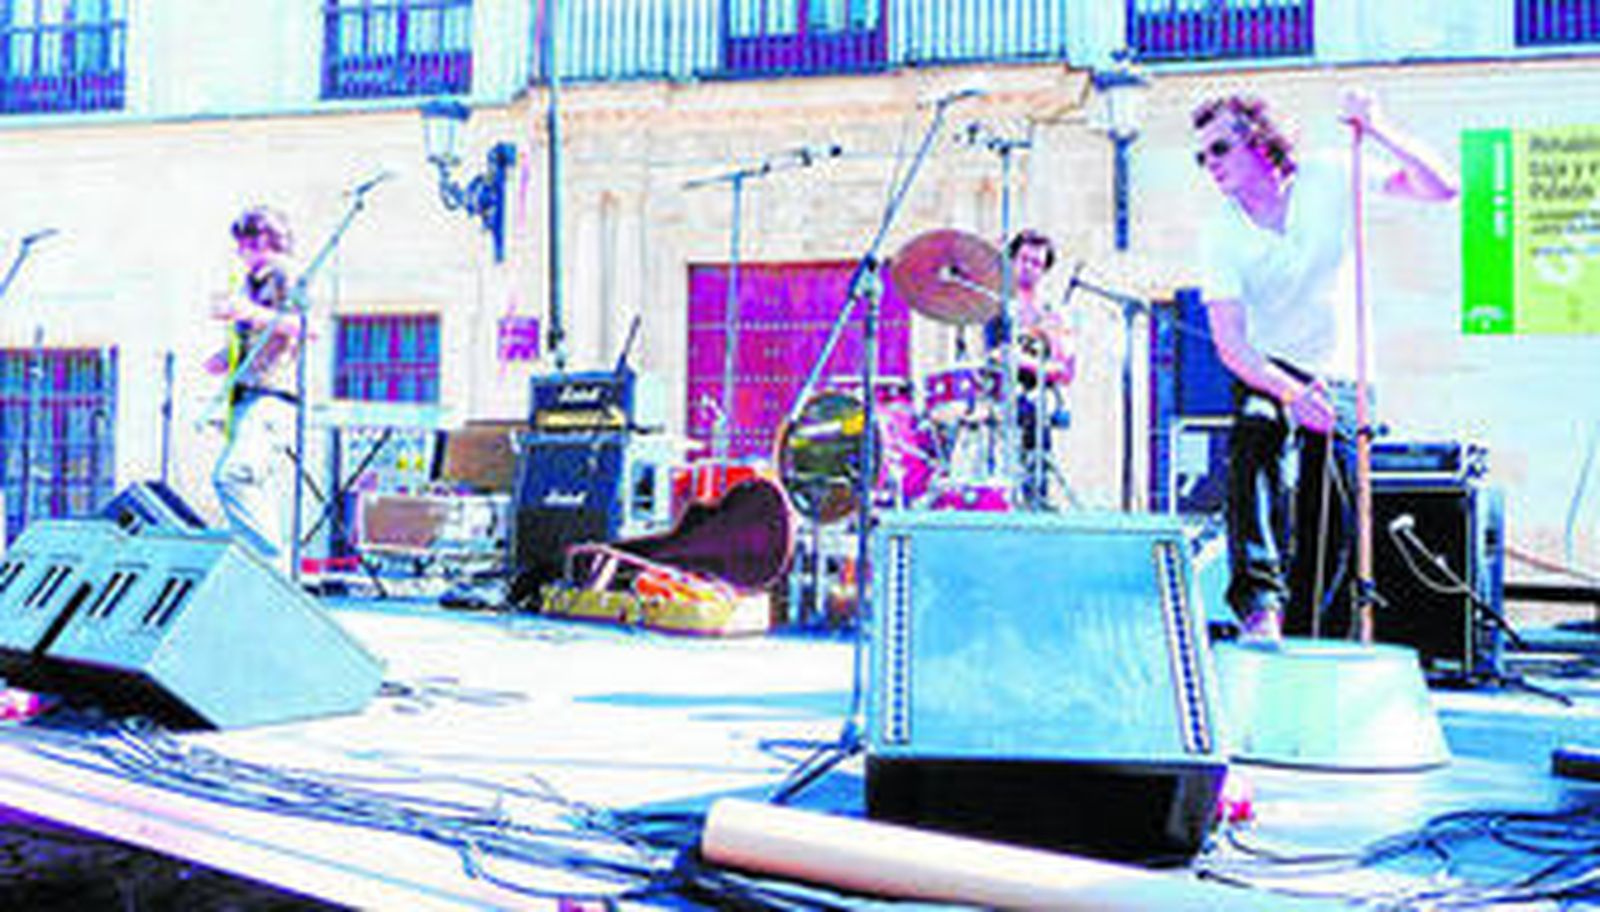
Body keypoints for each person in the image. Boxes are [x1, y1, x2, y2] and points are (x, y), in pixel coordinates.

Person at [1193, 90, 1456, 643]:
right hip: (1269, 364)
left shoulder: (1330, 176)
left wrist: (1379, 129)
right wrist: (1290, 393)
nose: (1210, 165)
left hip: (1342, 365)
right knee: (1257, 433)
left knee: (1331, 505)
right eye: (1203, 157)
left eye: (1219, 149)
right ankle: (1259, 602)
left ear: (1258, 141)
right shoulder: (1220, 231)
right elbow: (1231, 345)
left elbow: (1442, 188)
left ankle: (1313, 629)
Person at [204, 206, 305, 576]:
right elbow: (264, 337)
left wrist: (247, 312)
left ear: (261, 242)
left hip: (272, 395)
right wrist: (224, 358)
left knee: (234, 475)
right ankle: (269, 570)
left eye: (243, 246)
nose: (239, 255)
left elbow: (305, 327)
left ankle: (268, 569)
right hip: (251, 394)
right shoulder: (255, 281)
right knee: (253, 483)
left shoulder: (284, 273)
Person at [982, 230, 1076, 504]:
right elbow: (994, 354)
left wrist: (1031, 363)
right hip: (999, 392)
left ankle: (1035, 495)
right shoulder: (997, 308)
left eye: (1037, 263)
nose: (1029, 268)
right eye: (1024, 260)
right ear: (1012, 261)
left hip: (1038, 395)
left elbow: (1066, 369)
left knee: (1033, 410)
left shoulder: (1052, 313)